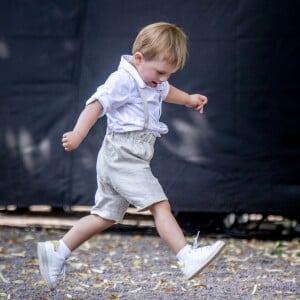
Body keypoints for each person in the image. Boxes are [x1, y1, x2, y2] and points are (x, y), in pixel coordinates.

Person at [37, 22, 225, 290]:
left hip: (130, 156)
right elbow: (96, 105)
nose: (162, 79)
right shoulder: (123, 79)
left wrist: (189, 99)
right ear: (138, 59)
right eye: (160, 71)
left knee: (105, 215)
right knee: (159, 204)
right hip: (122, 154)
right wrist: (78, 134)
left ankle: (57, 251)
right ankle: (186, 256)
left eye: (168, 74)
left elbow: (167, 92)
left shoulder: (155, 81)